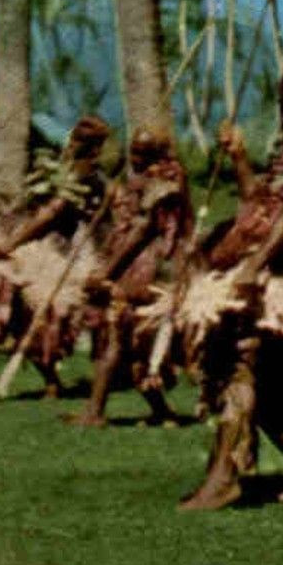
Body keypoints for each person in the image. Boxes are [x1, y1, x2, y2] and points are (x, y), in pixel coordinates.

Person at [177, 64, 283, 510]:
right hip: (268, 275)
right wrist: (239, 158)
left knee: (241, 368)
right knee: (264, 391)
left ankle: (225, 477)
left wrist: (255, 264)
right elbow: (261, 205)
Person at [0, 116, 110, 404]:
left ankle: (45, 380)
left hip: (67, 256)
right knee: (1, 299)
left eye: (81, 142)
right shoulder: (64, 170)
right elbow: (40, 210)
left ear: (94, 149)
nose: (73, 145)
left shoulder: (90, 179)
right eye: (74, 138)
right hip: (40, 248)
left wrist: (11, 244)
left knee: (32, 316)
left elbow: (51, 215)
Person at [67, 130, 192, 427]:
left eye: (142, 154)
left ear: (158, 154)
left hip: (151, 265)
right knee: (125, 340)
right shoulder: (142, 179)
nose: (135, 159)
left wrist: (108, 272)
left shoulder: (167, 180)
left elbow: (148, 229)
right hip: (130, 260)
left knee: (122, 336)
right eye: (133, 151)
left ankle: (95, 411)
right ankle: (153, 410)